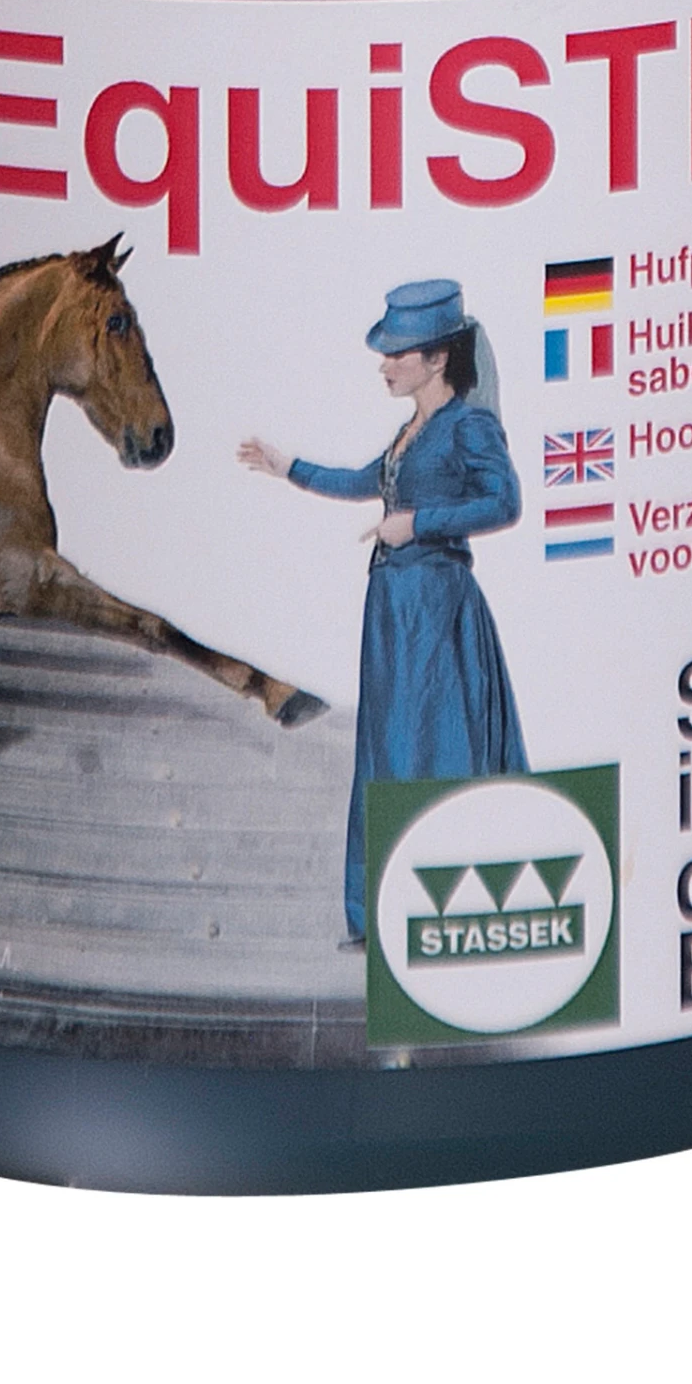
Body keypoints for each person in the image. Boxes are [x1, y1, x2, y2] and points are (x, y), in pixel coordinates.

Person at [239, 279, 527, 946]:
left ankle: (447, 902)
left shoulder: (469, 425)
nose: (385, 365)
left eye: (398, 353)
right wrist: (288, 467)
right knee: (386, 745)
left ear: (436, 358)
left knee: (434, 742)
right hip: (393, 609)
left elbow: (505, 502)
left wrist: (419, 523)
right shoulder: (412, 432)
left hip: (436, 605)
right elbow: (363, 479)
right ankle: (378, 912)